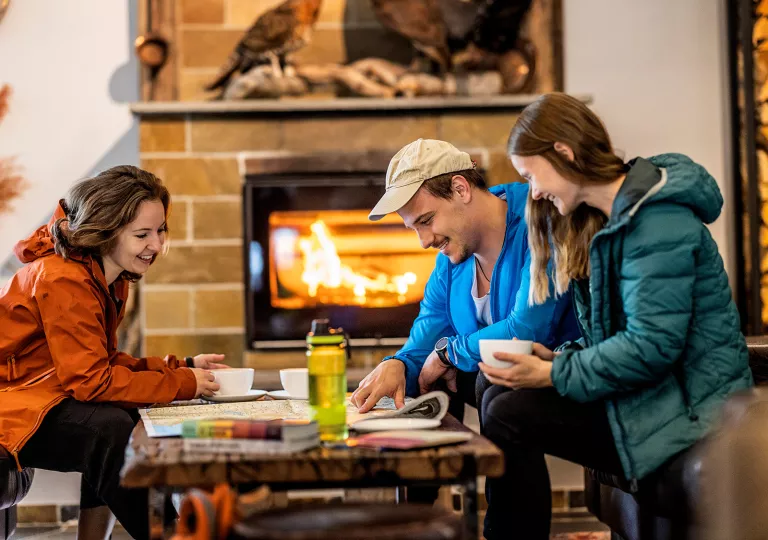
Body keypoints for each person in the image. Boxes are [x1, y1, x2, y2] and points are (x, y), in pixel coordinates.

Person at [476, 92, 753, 539]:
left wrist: (553, 375)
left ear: (563, 153)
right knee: (491, 386)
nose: (534, 191)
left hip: (687, 412)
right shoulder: (602, 221)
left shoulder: (658, 221)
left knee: (511, 412)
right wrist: (558, 358)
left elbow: (652, 347)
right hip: (645, 396)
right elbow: (615, 335)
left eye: (531, 174)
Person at [0, 166, 226, 540]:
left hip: (38, 395)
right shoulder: (64, 280)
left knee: (115, 416)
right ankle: (169, 535)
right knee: (108, 429)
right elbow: (90, 381)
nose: (156, 245)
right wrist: (184, 383)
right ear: (105, 232)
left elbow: (96, 361)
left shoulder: (105, 278)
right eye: (142, 235)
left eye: (160, 230)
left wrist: (182, 367)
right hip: (12, 403)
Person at [350, 139, 579, 420]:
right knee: (431, 378)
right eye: (413, 229)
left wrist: (449, 353)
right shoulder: (449, 263)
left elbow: (526, 330)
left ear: (461, 189)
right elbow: (428, 333)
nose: (424, 241)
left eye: (427, 220)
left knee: (484, 377)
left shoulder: (540, 218)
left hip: (567, 374)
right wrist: (398, 364)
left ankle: (495, 465)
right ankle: (448, 462)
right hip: (503, 385)